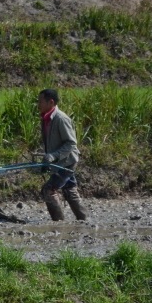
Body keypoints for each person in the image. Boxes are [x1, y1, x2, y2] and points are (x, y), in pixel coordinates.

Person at [37, 88, 88, 221]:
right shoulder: (46, 119)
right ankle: (84, 219)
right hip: (59, 162)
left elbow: (71, 143)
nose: (38, 104)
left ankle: (59, 223)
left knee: (48, 190)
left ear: (51, 102)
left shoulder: (61, 119)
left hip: (66, 162)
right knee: (69, 189)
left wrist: (54, 155)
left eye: (41, 101)